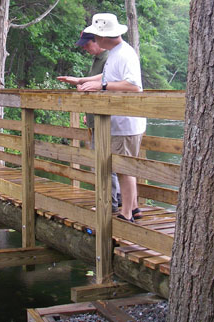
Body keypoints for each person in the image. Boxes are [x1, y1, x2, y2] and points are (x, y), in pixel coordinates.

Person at [64, 13, 145, 222]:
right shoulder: (116, 53)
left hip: (126, 122)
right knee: (123, 167)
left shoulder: (125, 54)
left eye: (96, 36)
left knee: (123, 168)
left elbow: (134, 86)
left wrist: (102, 86)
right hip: (118, 122)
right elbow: (108, 77)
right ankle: (133, 207)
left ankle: (126, 213)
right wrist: (84, 81)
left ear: (104, 36)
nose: (95, 40)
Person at [57, 32, 123, 213]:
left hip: (106, 118)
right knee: (102, 162)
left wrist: (80, 81)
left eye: (87, 44)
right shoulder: (97, 59)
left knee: (103, 163)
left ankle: (109, 203)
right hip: (96, 117)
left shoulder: (108, 58)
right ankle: (116, 199)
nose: (85, 48)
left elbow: (106, 81)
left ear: (98, 41)